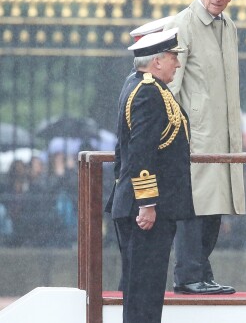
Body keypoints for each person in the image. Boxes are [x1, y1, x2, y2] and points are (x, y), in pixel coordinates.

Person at [166, 0, 245, 295]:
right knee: (194, 206)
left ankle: (202, 270)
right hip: (194, 133)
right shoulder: (183, 24)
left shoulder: (229, 27)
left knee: (215, 207)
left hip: (222, 132)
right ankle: (187, 275)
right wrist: (171, 133)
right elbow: (170, 84)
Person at [109, 28, 195, 323]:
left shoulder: (139, 85)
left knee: (143, 292)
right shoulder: (147, 91)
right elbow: (139, 151)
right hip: (147, 211)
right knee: (144, 294)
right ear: (157, 61)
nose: (178, 64)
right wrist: (146, 203)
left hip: (141, 205)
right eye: (174, 57)